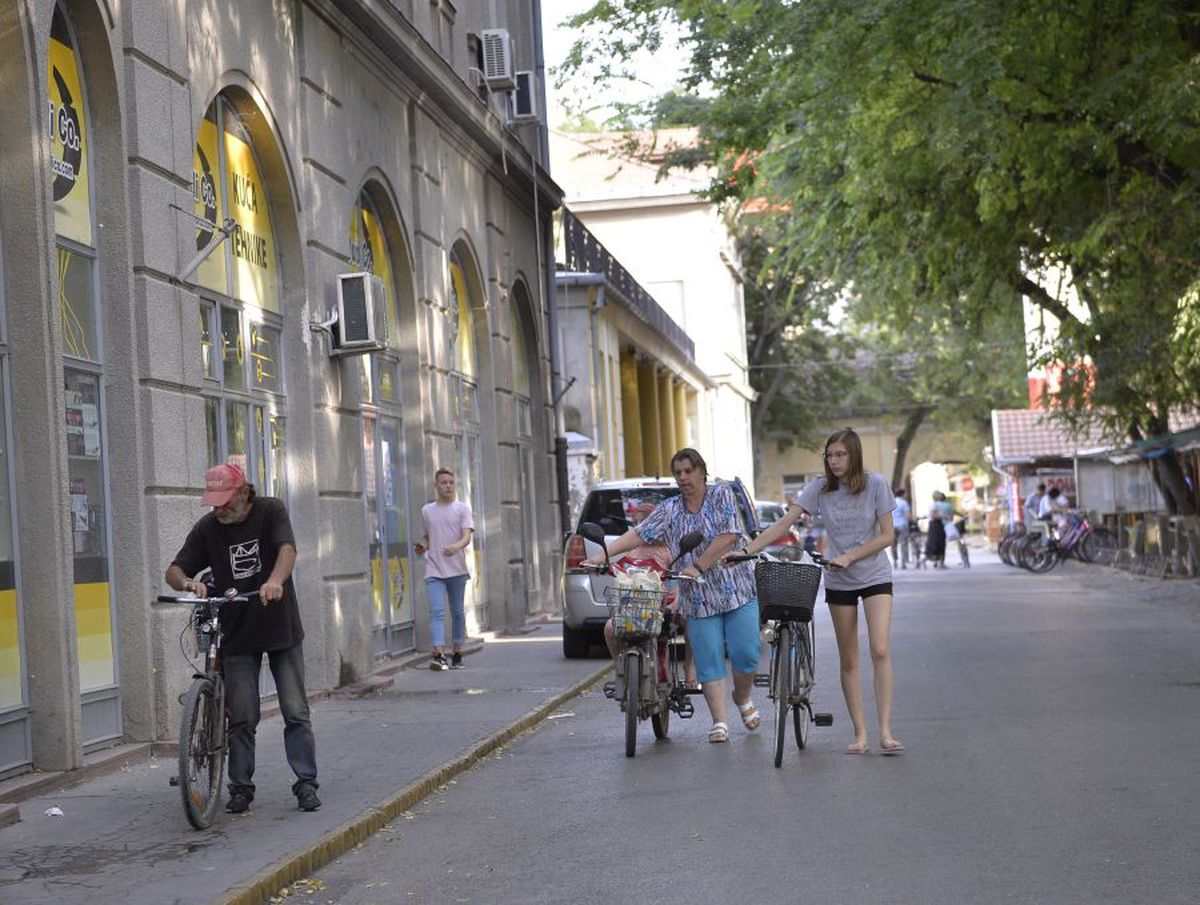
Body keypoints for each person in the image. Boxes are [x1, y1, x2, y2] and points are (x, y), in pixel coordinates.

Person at [165, 462, 320, 814]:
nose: (218, 509)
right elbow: (174, 570)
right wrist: (188, 583)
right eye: (213, 502)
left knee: (295, 710)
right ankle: (240, 789)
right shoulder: (208, 528)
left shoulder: (270, 510)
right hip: (236, 630)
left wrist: (276, 580)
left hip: (279, 624)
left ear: (243, 492)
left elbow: (287, 549)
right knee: (241, 715)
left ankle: (306, 783)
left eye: (224, 501)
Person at [747, 428, 904, 755]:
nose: (834, 461)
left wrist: (851, 555)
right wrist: (747, 550)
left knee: (879, 648)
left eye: (841, 454)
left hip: (873, 573)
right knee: (849, 657)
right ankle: (860, 733)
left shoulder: (875, 484)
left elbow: (887, 535)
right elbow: (783, 523)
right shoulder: (821, 487)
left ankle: (885, 731)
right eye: (830, 455)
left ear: (854, 455)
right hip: (838, 578)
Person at [587, 448, 759, 744]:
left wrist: (697, 565)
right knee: (708, 660)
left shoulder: (721, 496)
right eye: (677, 472)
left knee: (746, 654)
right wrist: (603, 553)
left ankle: (742, 698)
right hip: (699, 597)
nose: (682, 477)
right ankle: (720, 722)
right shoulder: (670, 509)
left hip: (736, 590)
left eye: (688, 471)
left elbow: (728, 536)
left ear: (701, 471)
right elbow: (640, 533)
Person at [415, 468, 475, 670]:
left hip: (457, 569)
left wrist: (455, 547)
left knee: (457, 612)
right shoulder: (427, 511)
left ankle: (457, 652)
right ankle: (439, 654)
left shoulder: (462, 509)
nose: (448, 486)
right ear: (436, 485)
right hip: (434, 569)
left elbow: (467, 536)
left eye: (451, 482)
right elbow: (427, 536)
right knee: (437, 613)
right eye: (444, 482)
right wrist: (422, 545)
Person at [925, 491, 948, 569]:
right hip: (936, 525)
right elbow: (934, 515)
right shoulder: (934, 505)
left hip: (934, 525)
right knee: (939, 543)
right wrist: (944, 516)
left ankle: (936, 561)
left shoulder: (934, 504)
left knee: (935, 542)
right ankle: (939, 562)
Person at [891, 488, 913, 569]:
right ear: (903, 494)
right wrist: (912, 521)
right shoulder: (904, 503)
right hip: (902, 525)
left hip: (892, 525)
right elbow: (908, 515)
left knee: (893, 545)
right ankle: (903, 563)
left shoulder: (891, 502)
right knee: (903, 544)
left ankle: (895, 561)